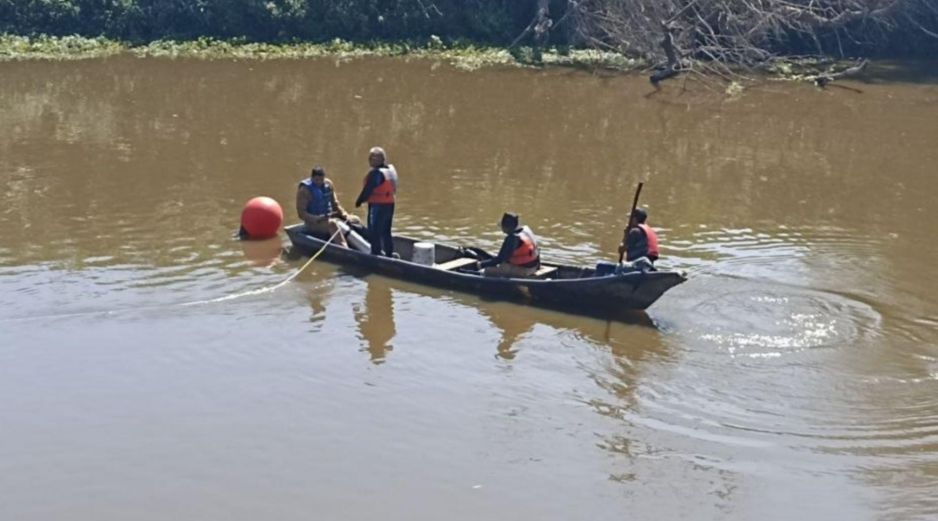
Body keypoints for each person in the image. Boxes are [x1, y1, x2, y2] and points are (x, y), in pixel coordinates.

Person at [296, 166, 357, 248]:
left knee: (355, 219)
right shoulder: (304, 190)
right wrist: (316, 218)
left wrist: (345, 215)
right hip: (313, 223)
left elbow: (335, 204)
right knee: (332, 224)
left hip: (327, 218)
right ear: (312, 178)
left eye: (321, 180)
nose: (319, 182)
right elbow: (301, 213)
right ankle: (345, 248)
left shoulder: (328, 184)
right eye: (316, 180)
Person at [354, 146, 398, 257]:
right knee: (386, 231)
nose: (369, 160)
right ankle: (389, 254)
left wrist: (359, 202)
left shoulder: (376, 174)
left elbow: (368, 190)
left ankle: (375, 255)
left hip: (378, 205)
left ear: (380, 160)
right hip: (390, 204)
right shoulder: (389, 170)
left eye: (372, 158)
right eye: (370, 158)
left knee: (374, 232)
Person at [478, 212, 541, 278]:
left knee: (488, 270)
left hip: (525, 270)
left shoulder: (512, 238)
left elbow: (500, 259)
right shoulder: (525, 230)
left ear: (507, 227)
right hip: (534, 266)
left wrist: (480, 265)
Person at [617, 207, 659, 272]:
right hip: (648, 265)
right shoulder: (649, 230)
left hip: (638, 265)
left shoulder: (635, 231)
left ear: (634, 219)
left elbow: (621, 249)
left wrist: (625, 235)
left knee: (618, 268)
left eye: (630, 218)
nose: (629, 221)